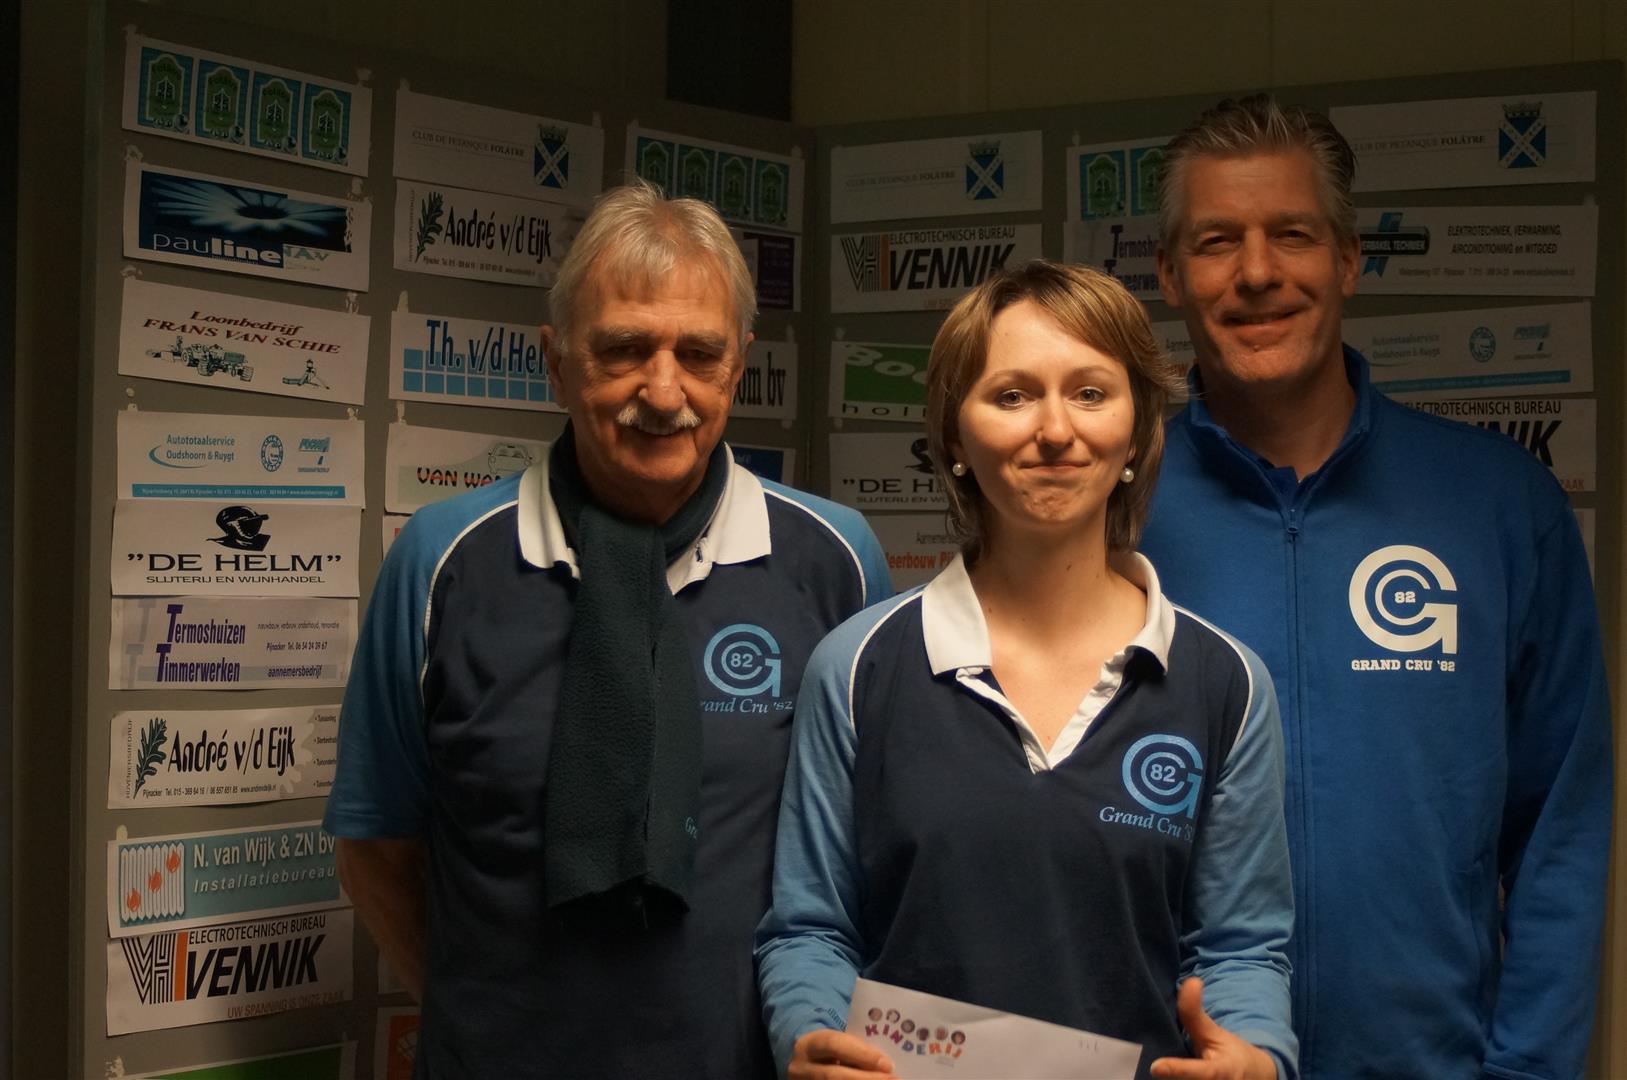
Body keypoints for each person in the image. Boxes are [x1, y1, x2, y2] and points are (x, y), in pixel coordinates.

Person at [324, 180, 891, 1079]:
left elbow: (864, 851)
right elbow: (376, 850)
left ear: (738, 365)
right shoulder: (442, 560)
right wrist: (484, 1029)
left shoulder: (833, 559)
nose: (662, 392)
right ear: (555, 360)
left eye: (698, 354)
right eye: (623, 349)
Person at [1142, 94, 1612, 1080]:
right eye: (1217, 241)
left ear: (1349, 259)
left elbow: (1558, 832)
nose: (1256, 272)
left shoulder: (1495, 502)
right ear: (1170, 273)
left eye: (1292, 234)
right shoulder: (1112, 512)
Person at [757, 261, 1297, 1080]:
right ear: (953, 437)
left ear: (1136, 431)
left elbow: (1239, 948)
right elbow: (811, 929)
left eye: (1090, 393)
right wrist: (808, 1033)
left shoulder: (1225, 683)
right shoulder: (858, 666)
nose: (1053, 430)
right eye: (1011, 396)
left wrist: (1255, 1056)